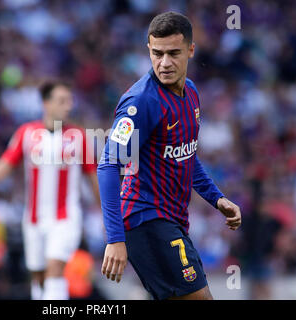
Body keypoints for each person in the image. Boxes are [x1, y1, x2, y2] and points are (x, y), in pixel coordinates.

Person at [97, 12, 242, 300]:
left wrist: (216, 198)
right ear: (148, 50)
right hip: (146, 219)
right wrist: (114, 239)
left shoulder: (190, 93)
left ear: (190, 49)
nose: (164, 63)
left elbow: (186, 154)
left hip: (172, 220)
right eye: (157, 53)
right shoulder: (141, 102)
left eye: (174, 53)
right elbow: (108, 164)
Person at [0, 81, 100, 300]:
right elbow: (7, 161)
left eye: (70, 101)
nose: (68, 106)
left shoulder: (79, 136)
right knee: (39, 276)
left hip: (65, 217)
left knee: (55, 268)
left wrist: (107, 212)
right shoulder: (27, 133)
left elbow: (94, 176)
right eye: (62, 101)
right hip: (33, 219)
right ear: (46, 103)